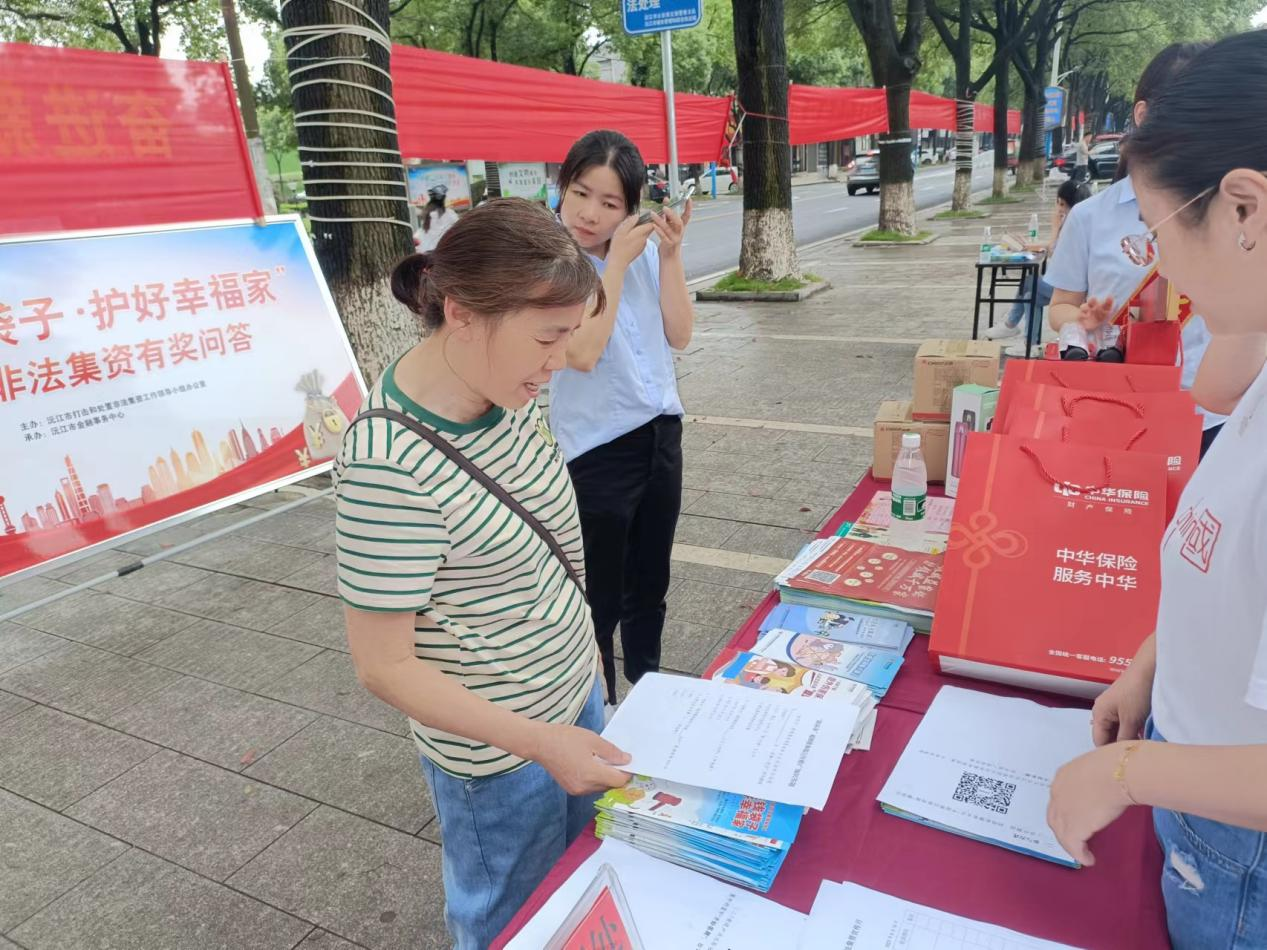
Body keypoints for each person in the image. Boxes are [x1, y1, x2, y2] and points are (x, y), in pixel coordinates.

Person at [334, 198, 631, 949]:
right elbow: (383, 666)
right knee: (507, 921)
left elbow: (550, 540)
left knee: (580, 892)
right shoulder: (386, 464)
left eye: (568, 335)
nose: (559, 362)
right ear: (461, 314)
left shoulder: (511, 390)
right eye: (547, 338)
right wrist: (539, 742)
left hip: (575, 701)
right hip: (498, 758)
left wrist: (587, 662)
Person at [1046, 31, 1267, 950]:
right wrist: (1153, 665)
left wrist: (1123, 774)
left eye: (1160, 227)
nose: (1158, 267)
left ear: (1243, 207)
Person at [548, 129, 694, 712]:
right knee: (599, 596)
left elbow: (679, 334)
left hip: (661, 435)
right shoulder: (550, 262)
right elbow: (582, 353)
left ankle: (647, 689)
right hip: (596, 452)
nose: (590, 214)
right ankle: (600, 707)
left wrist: (671, 255)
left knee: (650, 581)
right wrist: (613, 266)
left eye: (610, 203)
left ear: (631, 208)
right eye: (580, 193)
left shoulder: (642, 254)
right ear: (562, 186)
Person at [1043, 43, 1226, 450]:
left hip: (1213, 415)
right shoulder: (1090, 217)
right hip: (1119, 408)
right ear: (1143, 116)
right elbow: (1060, 307)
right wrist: (1085, 321)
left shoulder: (1234, 211)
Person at [984, 178, 1093, 347]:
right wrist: (1030, 246)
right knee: (1030, 296)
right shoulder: (1076, 221)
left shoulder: (1077, 225)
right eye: (1058, 203)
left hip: (1074, 290)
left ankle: (1010, 324)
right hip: (1068, 284)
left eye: (1062, 204)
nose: (1059, 209)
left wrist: (1055, 227)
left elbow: (1056, 253)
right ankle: (1030, 345)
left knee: (1029, 282)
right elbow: (1054, 247)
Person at [413, 184, 456, 252]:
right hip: (443, 251)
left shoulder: (427, 212)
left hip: (426, 252)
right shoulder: (450, 214)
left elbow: (420, 235)